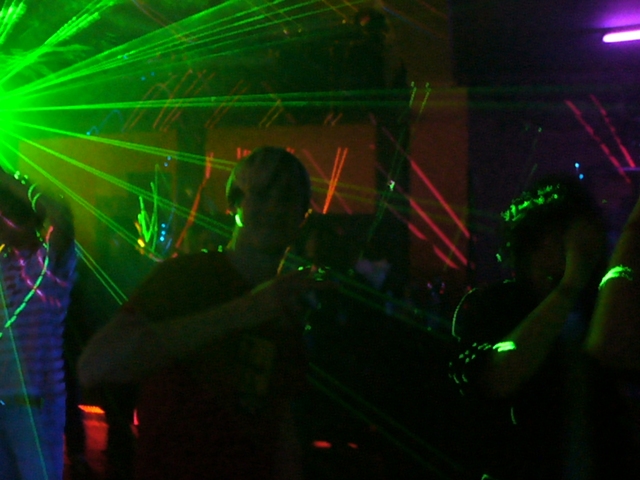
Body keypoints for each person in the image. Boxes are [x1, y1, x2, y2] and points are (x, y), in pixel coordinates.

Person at [78, 146, 330, 480]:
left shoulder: (291, 304)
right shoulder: (185, 277)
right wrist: (246, 310)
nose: (273, 207)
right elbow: (94, 365)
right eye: (261, 194)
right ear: (234, 204)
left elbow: (281, 425)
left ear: (303, 216)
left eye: (286, 197)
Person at [449, 176, 610, 479]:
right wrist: (569, 285)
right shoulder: (491, 305)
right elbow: (497, 378)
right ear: (538, 241)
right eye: (570, 238)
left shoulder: (598, 304)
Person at [0, 169, 76, 480]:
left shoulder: (50, 261)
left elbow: (63, 221)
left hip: (37, 409)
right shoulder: (3, 264)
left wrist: (14, 183)